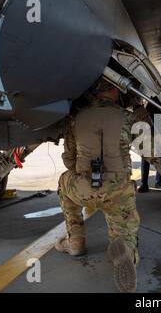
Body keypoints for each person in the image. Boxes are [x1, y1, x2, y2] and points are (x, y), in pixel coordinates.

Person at [56, 79, 140, 293]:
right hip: (117, 189)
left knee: (63, 182)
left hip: (83, 187)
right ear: (115, 91)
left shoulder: (76, 119)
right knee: (123, 229)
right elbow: (152, 149)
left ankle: (75, 241)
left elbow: (69, 160)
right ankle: (125, 251)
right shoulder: (128, 117)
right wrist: (138, 107)